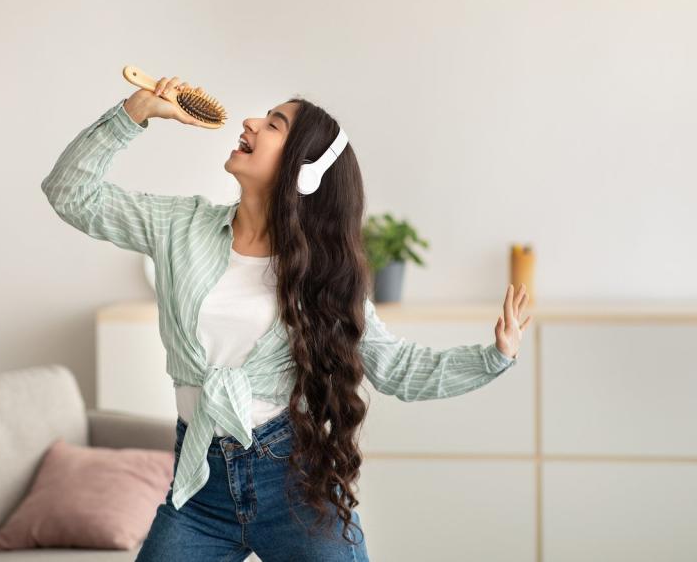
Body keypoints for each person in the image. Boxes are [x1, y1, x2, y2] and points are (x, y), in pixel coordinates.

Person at [41, 75, 532, 561]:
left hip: (292, 487)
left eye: (274, 123)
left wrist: (493, 357)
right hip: (198, 490)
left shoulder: (325, 274)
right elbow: (69, 192)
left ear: (305, 171)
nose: (251, 122)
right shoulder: (179, 227)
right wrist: (134, 114)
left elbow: (396, 368)